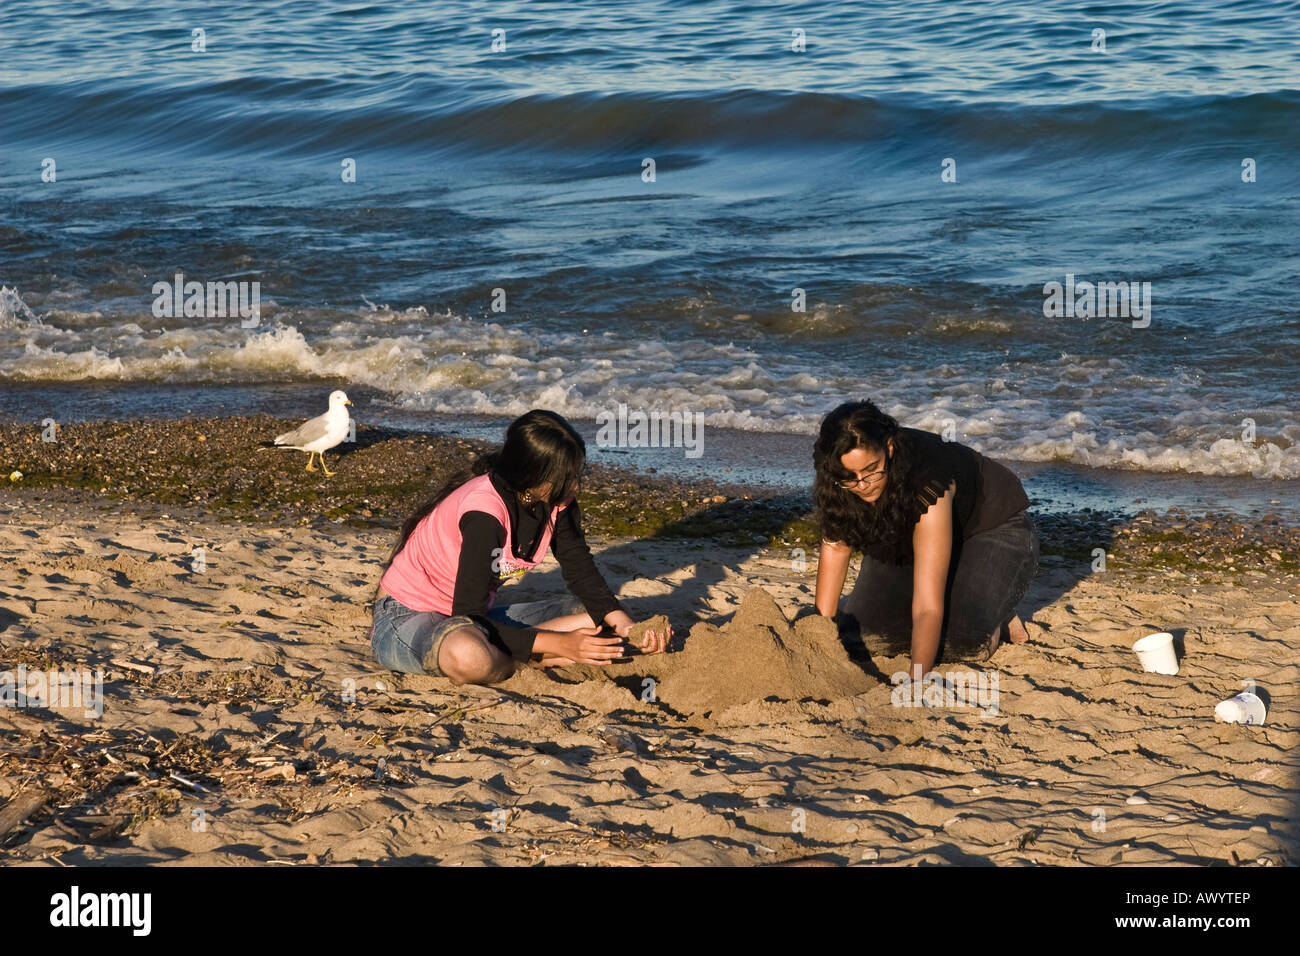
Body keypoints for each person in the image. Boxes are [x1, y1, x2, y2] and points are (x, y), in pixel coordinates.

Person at [371, 409, 671, 685]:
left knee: (609, 616)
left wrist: (630, 628)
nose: (575, 486)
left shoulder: (556, 501)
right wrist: (560, 644)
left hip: (477, 621)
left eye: (576, 475)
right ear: (534, 475)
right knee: (470, 656)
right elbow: (469, 615)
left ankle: (522, 652)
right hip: (407, 616)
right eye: (567, 478)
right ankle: (527, 659)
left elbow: (581, 571)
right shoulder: (484, 515)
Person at [812, 400, 1038, 684]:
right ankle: (967, 590)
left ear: (889, 448)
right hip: (908, 538)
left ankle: (997, 608)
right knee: (858, 637)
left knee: (962, 644)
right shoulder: (835, 467)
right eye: (850, 477)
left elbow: (927, 606)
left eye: (871, 469)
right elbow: (836, 548)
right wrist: (817, 638)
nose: (862, 484)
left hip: (991, 528)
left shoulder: (927, 481)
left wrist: (917, 680)